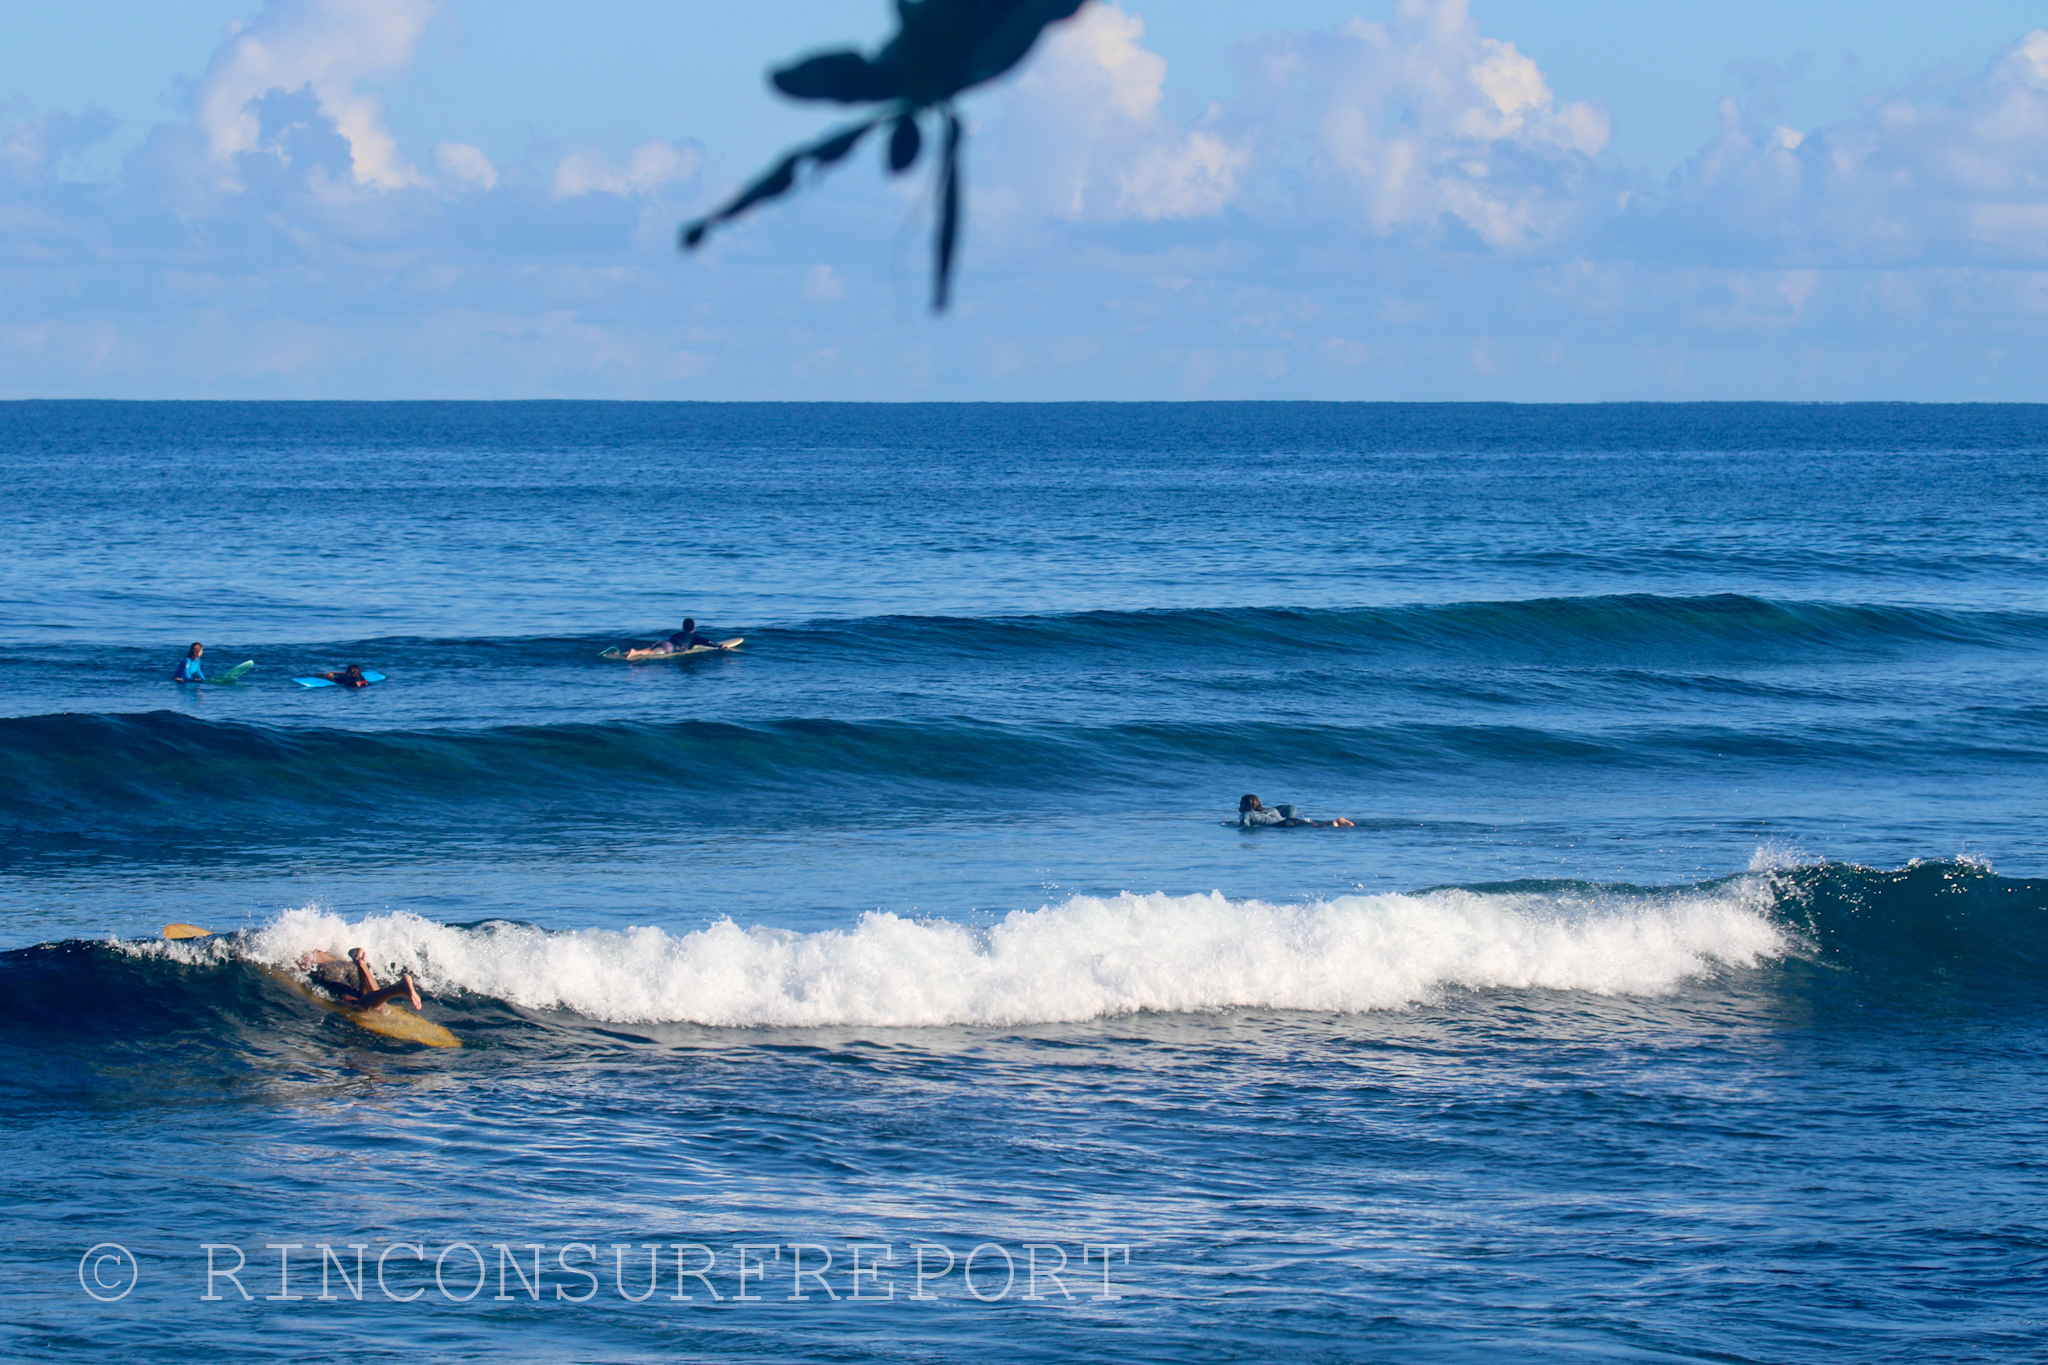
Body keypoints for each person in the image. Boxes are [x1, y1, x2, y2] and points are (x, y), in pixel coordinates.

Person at [300, 947, 424, 1012]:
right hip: (347, 965)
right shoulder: (324, 951)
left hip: (328, 971)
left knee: (359, 1006)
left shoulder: (303, 954)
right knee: (372, 998)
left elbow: (299, 970)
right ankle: (360, 963)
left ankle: (398, 988)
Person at [1237, 794, 1354, 829]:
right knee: (1313, 826)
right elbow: (1291, 808)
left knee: (1316, 827)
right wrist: (1288, 818)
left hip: (1282, 826)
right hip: (1290, 821)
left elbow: (1244, 827)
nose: (1239, 807)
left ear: (1247, 805)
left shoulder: (1246, 814)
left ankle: (1334, 824)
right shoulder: (1270, 809)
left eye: (1241, 804)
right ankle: (1337, 822)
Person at [641, 618, 731, 656]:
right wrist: (719, 646)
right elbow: (707, 642)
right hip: (670, 647)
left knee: (649, 650)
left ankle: (634, 652)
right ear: (693, 628)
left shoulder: (677, 634)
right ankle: (635, 652)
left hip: (663, 643)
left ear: (683, 627)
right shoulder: (693, 637)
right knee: (652, 654)